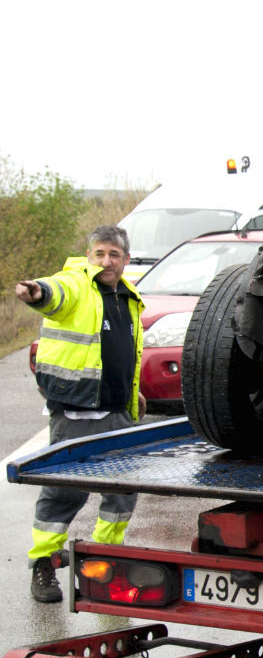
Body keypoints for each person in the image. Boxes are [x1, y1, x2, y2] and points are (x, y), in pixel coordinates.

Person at [15, 224, 146, 603]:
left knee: (121, 494)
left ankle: (107, 559)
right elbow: (54, 293)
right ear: (88, 257)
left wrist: (132, 396)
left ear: (126, 260)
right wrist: (37, 292)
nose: (106, 261)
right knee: (62, 493)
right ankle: (43, 564)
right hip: (74, 411)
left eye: (114, 255)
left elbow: (123, 353)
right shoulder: (75, 284)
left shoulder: (128, 296)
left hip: (117, 413)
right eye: (100, 254)